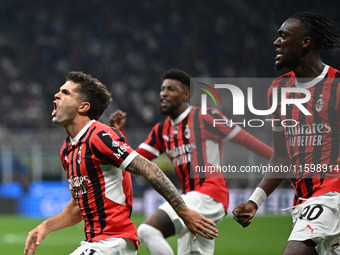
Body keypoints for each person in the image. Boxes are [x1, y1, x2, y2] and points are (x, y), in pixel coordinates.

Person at [24, 71, 219, 255]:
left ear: (83, 107)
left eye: (65, 92)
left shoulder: (98, 135)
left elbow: (148, 168)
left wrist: (184, 211)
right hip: (98, 244)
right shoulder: (67, 150)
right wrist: (45, 226)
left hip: (113, 243)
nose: (56, 95)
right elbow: (77, 206)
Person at [110, 69, 273, 254]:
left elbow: (247, 140)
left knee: (148, 230)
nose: (163, 93)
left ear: (186, 94)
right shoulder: (160, 130)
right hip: (190, 202)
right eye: (162, 89)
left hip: (209, 195)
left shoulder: (205, 117)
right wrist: (119, 133)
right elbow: (134, 162)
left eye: (171, 89)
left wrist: (282, 165)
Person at [232, 12, 340, 255]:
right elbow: (282, 156)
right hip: (303, 200)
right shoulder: (278, 90)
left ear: (306, 42)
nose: (276, 42)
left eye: (283, 36)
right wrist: (254, 201)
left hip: (332, 194)